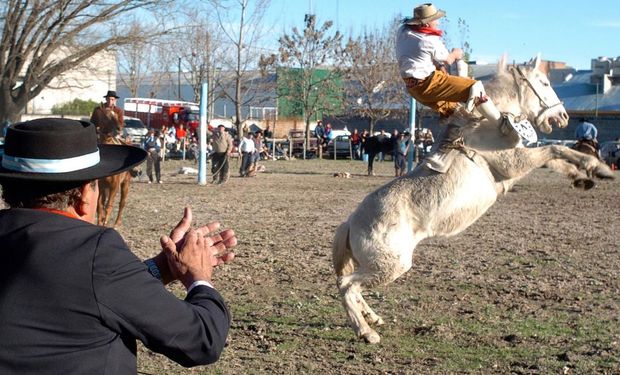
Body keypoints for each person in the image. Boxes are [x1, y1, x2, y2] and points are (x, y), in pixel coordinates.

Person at [0, 118, 236, 374]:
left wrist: (162, 268)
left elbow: (76, 291)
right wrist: (198, 277)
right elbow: (202, 339)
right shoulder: (93, 251)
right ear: (83, 196)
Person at [395, 3, 534, 173]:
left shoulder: (403, 32)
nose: (437, 23)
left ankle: (440, 156)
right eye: (434, 20)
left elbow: (418, 58)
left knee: (455, 113)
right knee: (475, 87)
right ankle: (501, 124)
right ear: (425, 24)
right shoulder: (429, 41)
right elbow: (446, 59)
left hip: (413, 88)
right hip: (429, 82)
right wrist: (456, 54)